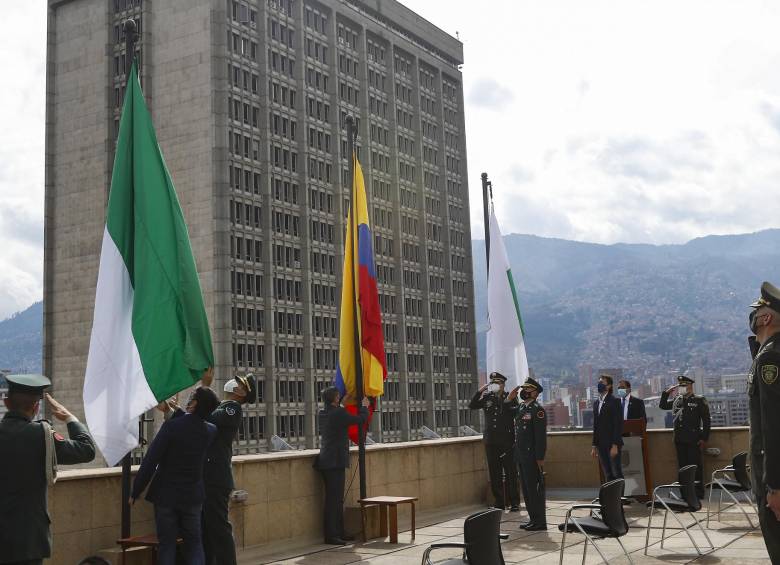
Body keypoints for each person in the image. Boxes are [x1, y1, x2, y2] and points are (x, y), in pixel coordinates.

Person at [0, 374, 96, 565]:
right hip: (29, 540)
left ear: (6, 402)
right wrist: (71, 419)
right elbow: (86, 450)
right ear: (36, 407)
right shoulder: (41, 436)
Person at [130, 386, 219, 565]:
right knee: (194, 544)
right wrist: (173, 410)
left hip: (166, 496)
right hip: (192, 497)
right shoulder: (210, 431)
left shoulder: (171, 427)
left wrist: (136, 490)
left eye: (192, 397)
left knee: (167, 545)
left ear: (194, 403)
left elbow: (150, 460)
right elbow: (192, 424)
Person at [201, 371, 255, 565]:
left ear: (241, 393)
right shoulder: (224, 406)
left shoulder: (232, 408)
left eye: (239, 384)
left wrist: (205, 389)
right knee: (207, 527)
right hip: (208, 476)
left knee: (218, 527)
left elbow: (207, 419)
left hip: (216, 477)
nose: (234, 383)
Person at [747, 281, 780, 562]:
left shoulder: (770, 357)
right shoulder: (768, 352)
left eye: (756, 313)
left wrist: (775, 487)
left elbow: (773, 425)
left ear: (766, 318)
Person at [315, 387, 370, 545]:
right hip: (335, 461)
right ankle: (332, 535)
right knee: (334, 500)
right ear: (334, 399)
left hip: (326, 461)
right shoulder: (338, 413)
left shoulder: (323, 413)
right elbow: (360, 419)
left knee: (336, 500)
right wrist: (365, 406)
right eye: (338, 395)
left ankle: (339, 532)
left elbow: (340, 417)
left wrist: (343, 403)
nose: (340, 397)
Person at [469, 372, 520, 511]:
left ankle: (514, 502)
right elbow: (472, 405)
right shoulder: (487, 397)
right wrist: (480, 390)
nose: (495, 386)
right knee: (494, 472)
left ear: (503, 384)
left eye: (498, 383)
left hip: (507, 441)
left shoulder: (510, 397)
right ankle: (499, 502)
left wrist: (508, 401)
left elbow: (516, 413)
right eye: (493, 383)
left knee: (511, 472)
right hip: (491, 441)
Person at [659, 375, 710, 498]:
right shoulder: (677, 400)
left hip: (694, 440)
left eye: (683, 385)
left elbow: (706, 420)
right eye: (680, 385)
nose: (681, 388)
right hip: (679, 439)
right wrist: (666, 393)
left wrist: (704, 438)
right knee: (682, 467)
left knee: (695, 467)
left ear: (690, 386)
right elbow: (663, 406)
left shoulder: (699, 400)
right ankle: (685, 493)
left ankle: (698, 493)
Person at [509, 377, 547, 531]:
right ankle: (533, 519)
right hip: (521, 455)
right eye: (523, 389)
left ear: (535, 392)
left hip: (532, 456)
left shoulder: (537, 410)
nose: (524, 392)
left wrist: (539, 457)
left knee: (534, 490)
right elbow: (506, 411)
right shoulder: (522, 408)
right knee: (526, 489)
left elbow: (540, 437)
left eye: (527, 389)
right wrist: (509, 398)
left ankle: (540, 522)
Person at [591, 374, 624, 482]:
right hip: (601, 444)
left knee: (616, 472)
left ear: (609, 386)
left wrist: (615, 445)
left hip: (612, 444)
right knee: (608, 473)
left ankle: (620, 497)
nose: (599, 384)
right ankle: (611, 498)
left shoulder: (614, 401)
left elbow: (617, 424)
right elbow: (596, 425)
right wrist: (594, 445)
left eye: (602, 382)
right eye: (599, 382)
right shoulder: (596, 403)